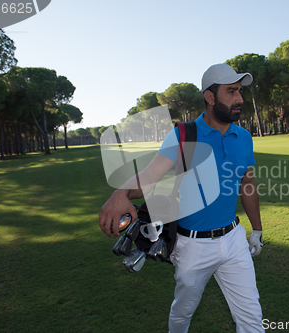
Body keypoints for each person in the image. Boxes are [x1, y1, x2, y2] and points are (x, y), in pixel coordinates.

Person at [99, 63, 264, 333]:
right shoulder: (184, 135)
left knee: (251, 319)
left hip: (234, 239)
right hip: (192, 246)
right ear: (210, 98)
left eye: (240, 92)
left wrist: (256, 230)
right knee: (183, 313)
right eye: (231, 92)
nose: (240, 99)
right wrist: (121, 192)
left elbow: (247, 184)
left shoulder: (243, 136)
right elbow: (150, 176)